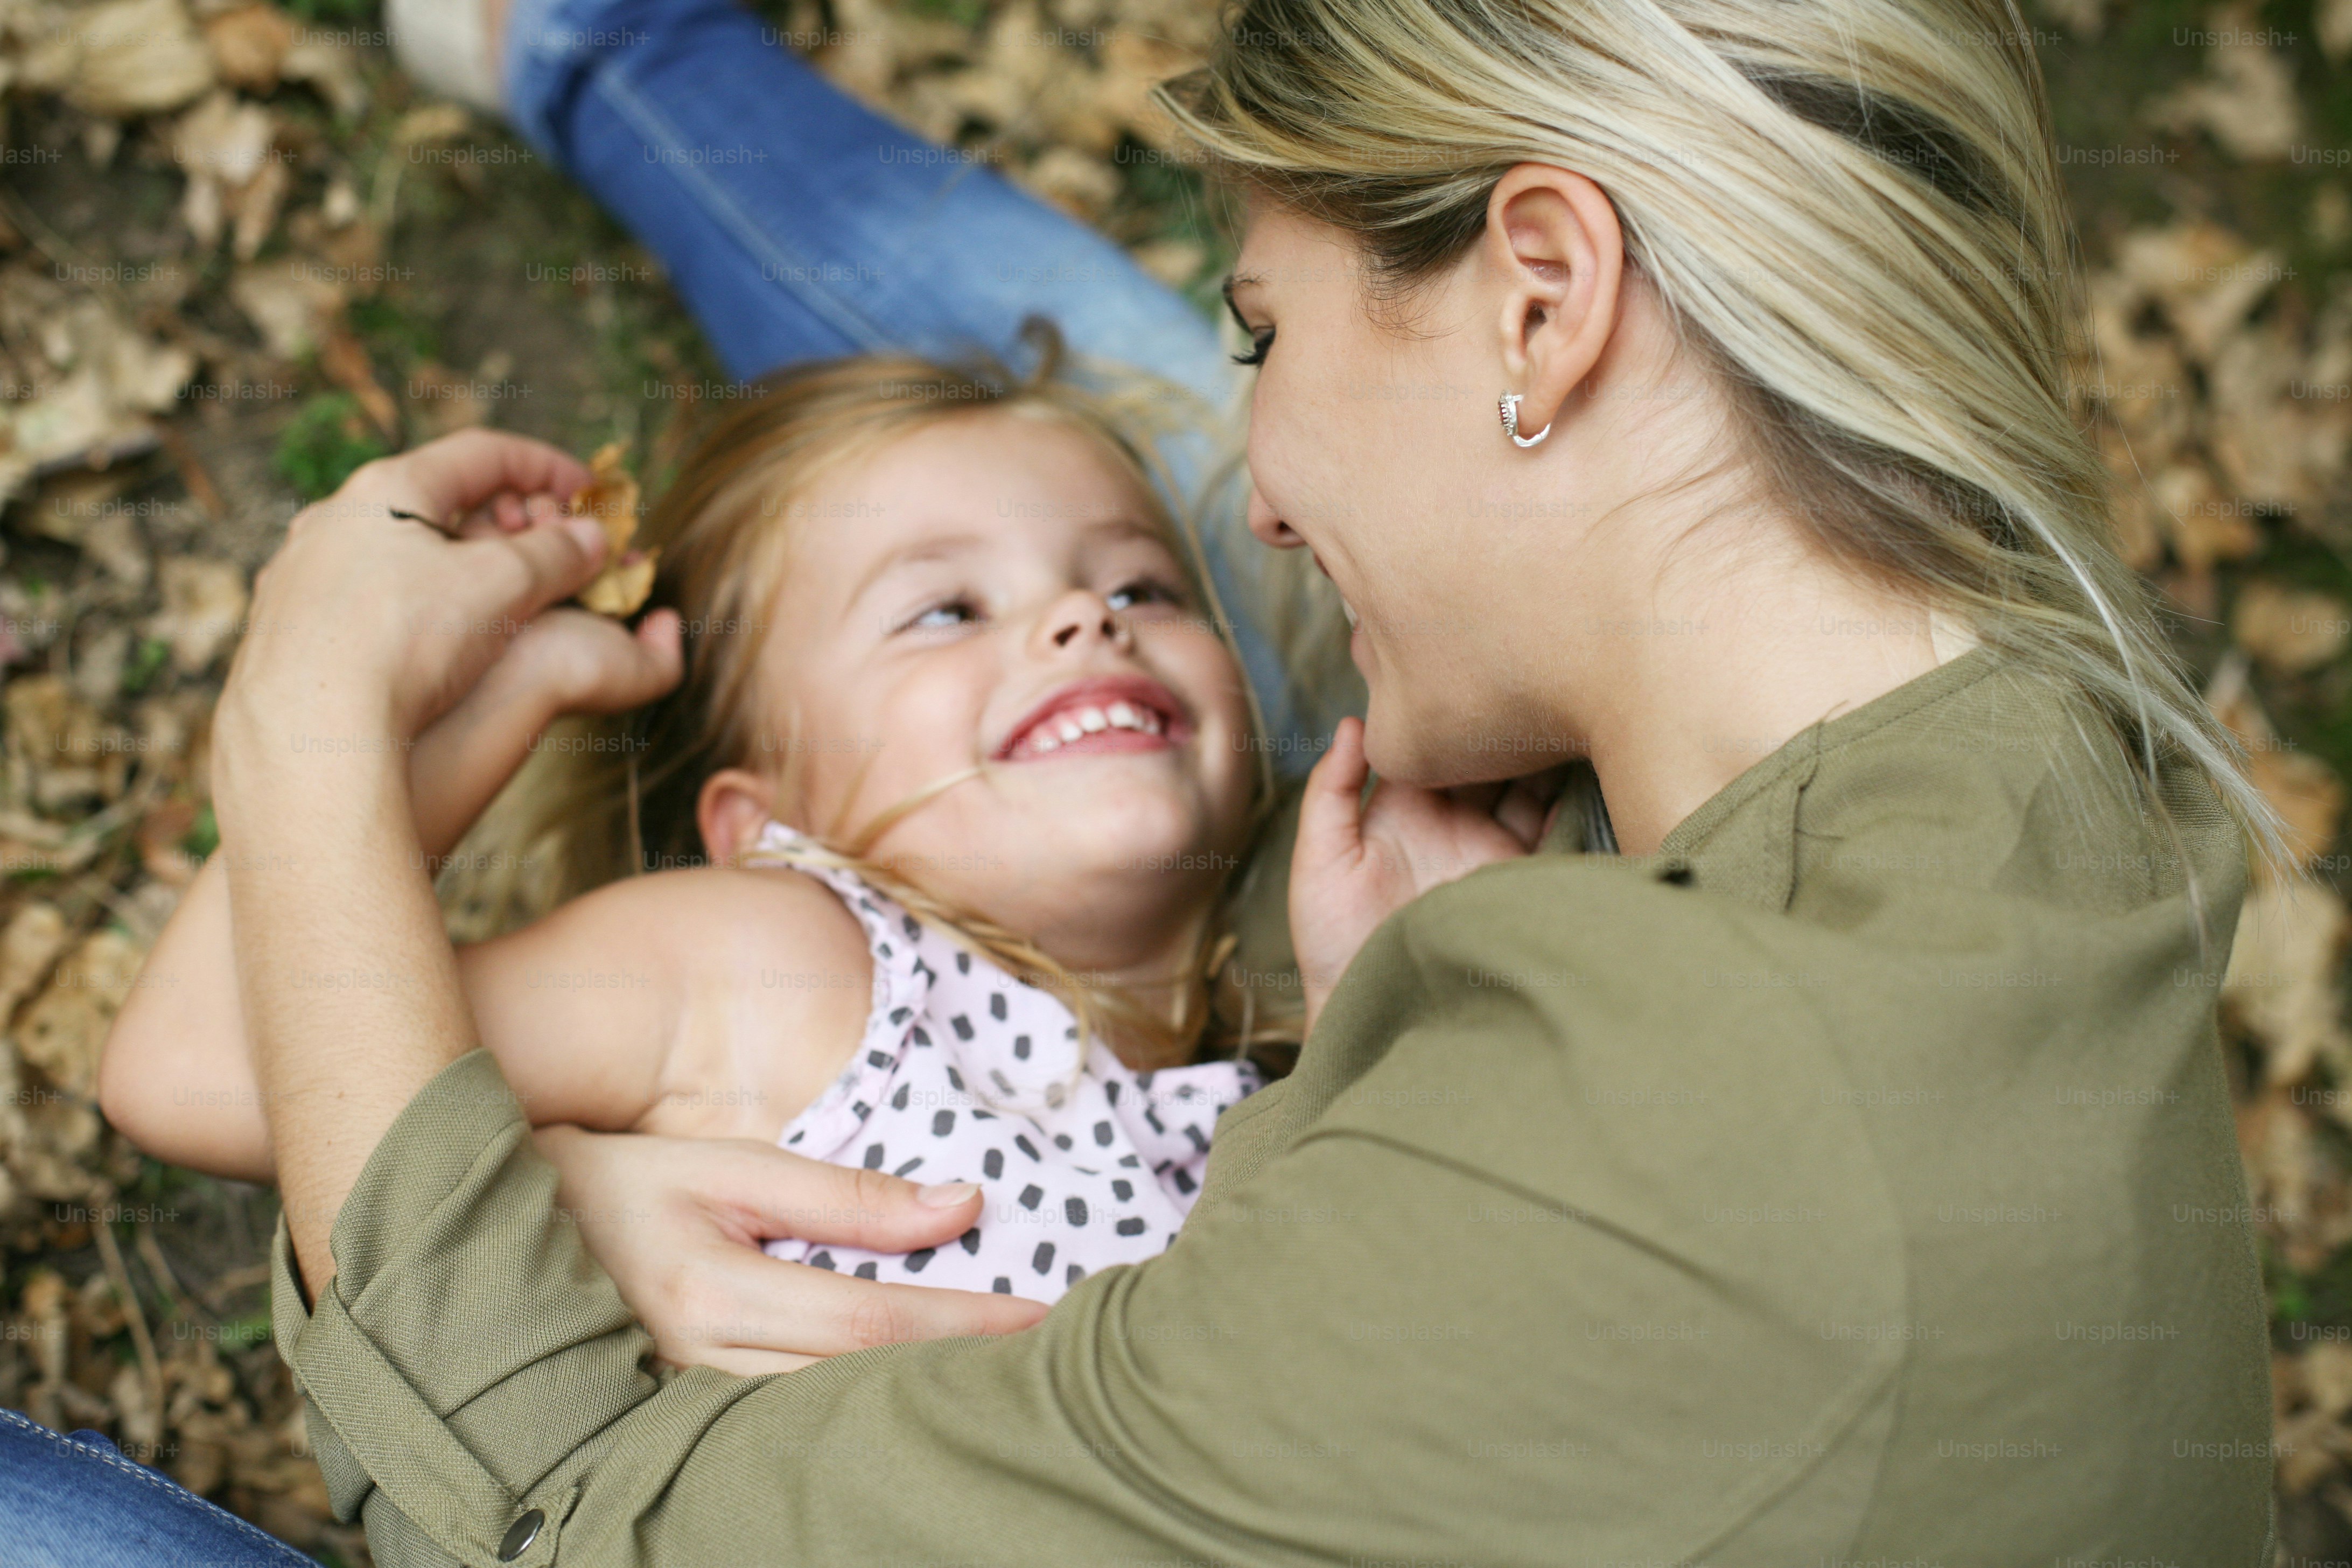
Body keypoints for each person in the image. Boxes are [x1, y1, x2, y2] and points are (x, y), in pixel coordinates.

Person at [18, 0, 2288, 1562]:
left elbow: (547, 1502)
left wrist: (307, 725)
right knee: (1079, 421)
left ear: (1543, 294)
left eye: (1275, 334)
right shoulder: (2022, 824)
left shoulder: (1591, 1178)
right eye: (943, 622)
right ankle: (608, 48)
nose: (1256, 516)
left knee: (1084, 432)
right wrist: (1401, 1024)